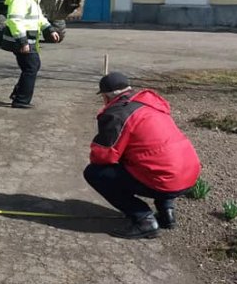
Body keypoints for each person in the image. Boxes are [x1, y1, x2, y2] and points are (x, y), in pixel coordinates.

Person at [83, 71, 201, 240]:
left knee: (94, 173)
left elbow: (104, 156)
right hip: (189, 173)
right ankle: (167, 214)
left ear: (106, 96)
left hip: (166, 181)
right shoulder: (150, 105)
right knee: (158, 160)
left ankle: (143, 219)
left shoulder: (117, 114)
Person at [1, 0, 61, 108]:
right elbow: (15, 20)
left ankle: (18, 94)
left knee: (31, 67)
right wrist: (23, 41)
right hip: (20, 39)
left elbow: (39, 17)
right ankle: (20, 101)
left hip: (28, 39)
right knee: (31, 67)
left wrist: (49, 29)